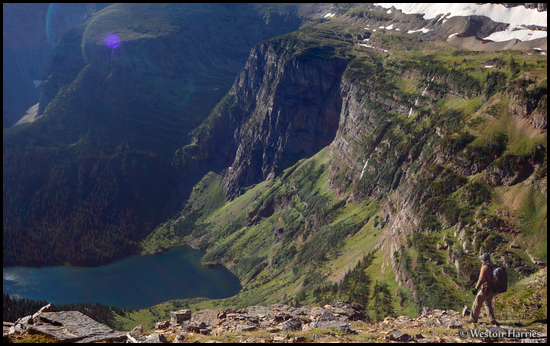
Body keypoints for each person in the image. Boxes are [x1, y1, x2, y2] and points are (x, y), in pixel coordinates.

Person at [468, 253, 499, 327]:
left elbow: (481, 279)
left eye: (482, 260)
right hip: (492, 289)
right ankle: (492, 320)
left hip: (485, 289)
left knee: (476, 303)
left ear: (484, 260)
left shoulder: (485, 267)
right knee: (488, 304)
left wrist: (476, 288)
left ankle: (473, 319)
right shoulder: (493, 266)